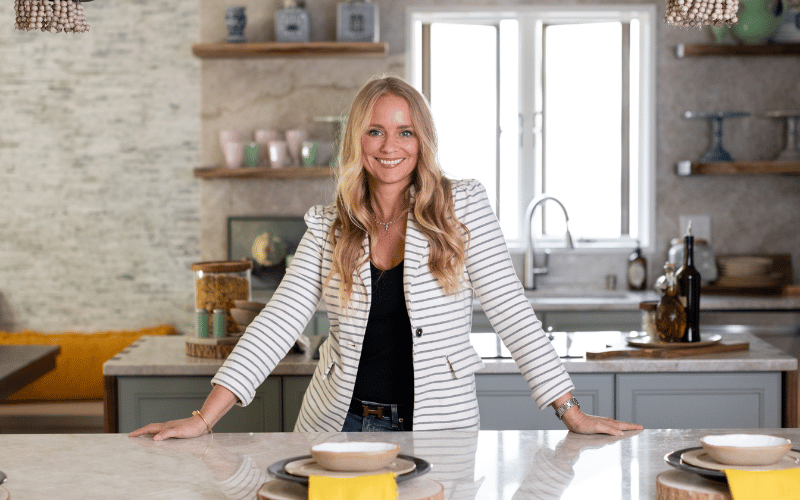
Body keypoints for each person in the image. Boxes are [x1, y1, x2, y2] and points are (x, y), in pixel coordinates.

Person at [130, 76, 642, 440]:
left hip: (439, 429)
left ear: (422, 140)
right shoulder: (330, 224)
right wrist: (203, 418)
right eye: (375, 131)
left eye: (405, 132)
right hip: (337, 424)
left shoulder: (462, 206)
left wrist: (572, 412)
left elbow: (512, 314)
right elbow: (278, 322)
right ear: (358, 140)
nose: (389, 146)